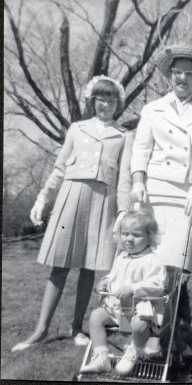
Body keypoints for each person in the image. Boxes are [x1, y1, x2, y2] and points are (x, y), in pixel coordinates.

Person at [12, 76, 133, 352]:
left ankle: (77, 327)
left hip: (104, 201)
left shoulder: (124, 135)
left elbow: (124, 177)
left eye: (111, 100)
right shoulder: (77, 129)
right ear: (93, 101)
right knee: (61, 265)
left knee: (89, 267)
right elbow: (59, 167)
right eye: (100, 99)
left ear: (118, 103)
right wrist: (43, 197)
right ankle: (41, 329)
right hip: (72, 196)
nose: (105, 104)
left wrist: (124, 211)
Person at [130, 44, 192, 272]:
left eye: (189, 73)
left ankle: (170, 309)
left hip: (188, 195)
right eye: (178, 72)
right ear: (169, 75)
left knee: (177, 268)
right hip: (154, 191)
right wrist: (138, 181)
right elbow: (140, 149)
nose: (183, 78)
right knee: (145, 261)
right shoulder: (152, 109)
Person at [80, 210, 167, 376]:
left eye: (136, 235)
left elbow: (157, 285)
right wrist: (106, 282)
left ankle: (133, 351)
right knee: (96, 316)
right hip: (118, 307)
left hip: (142, 308)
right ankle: (101, 357)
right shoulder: (121, 257)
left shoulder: (151, 261)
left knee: (139, 324)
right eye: (125, 234)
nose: (129, 239)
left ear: (149, 237)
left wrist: (133, 288)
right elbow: (114, 276)